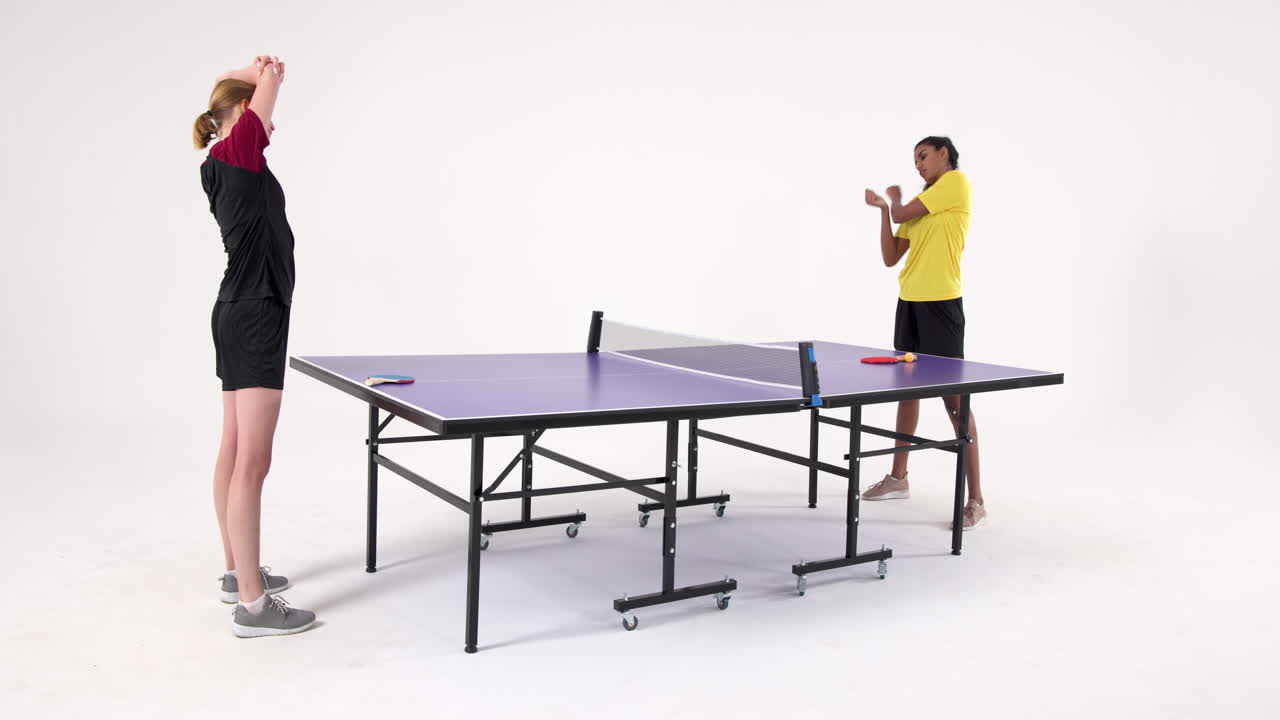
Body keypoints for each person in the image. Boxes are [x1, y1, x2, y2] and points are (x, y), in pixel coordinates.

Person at [193, 55, 316, 636]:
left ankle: (233, 570)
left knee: (234, 448)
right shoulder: (239, 151)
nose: (273, 125)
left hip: (235, 311)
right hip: (257, 314)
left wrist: (243, 76)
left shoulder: (221, 159)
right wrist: (263, 68)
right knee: (253, 461)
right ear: (242, 112)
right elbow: (271, 75)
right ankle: (253, 605)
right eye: (260, 114)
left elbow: (246, 89)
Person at [863, 136, 986, 530]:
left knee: (955, 402)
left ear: (944, 154)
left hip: (941, 306)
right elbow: (889, 256)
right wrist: (885, 211)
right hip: (910, 302)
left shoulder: (955, 184)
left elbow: (903, 211)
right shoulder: (920, 206)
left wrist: (893, 202)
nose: (918, 164)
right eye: (914, 159)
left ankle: (976, 500)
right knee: (907, 394)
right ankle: (899, 478)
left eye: (923, 156)